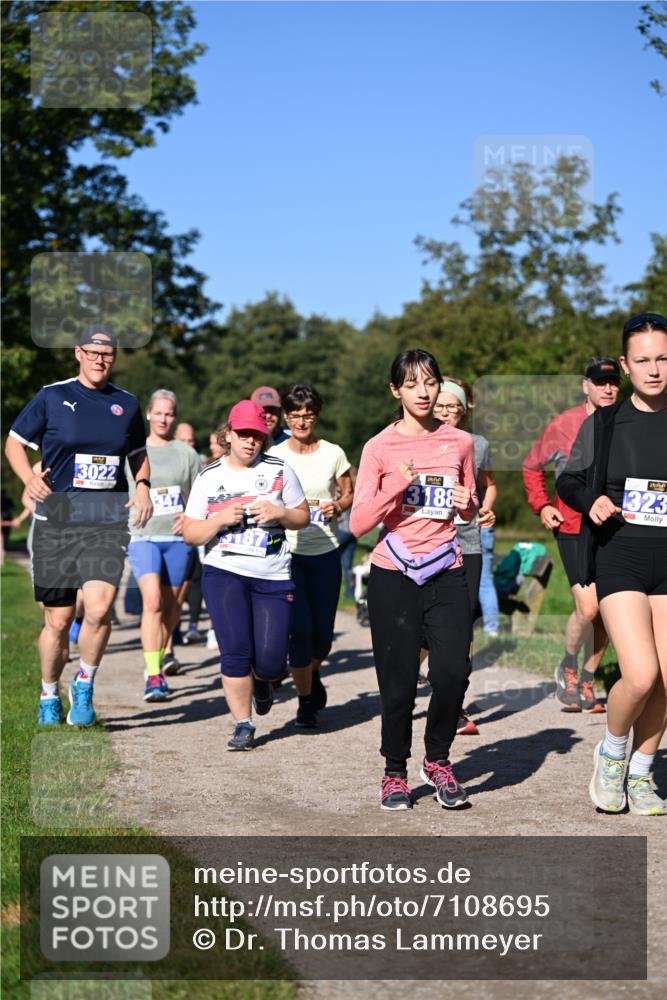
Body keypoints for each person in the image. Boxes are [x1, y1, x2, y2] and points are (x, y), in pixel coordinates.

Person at [350, 349, 478, 811]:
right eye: (412, 384)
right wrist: (395, 486)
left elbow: (469, 509)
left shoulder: (459, 442)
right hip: (394, 573)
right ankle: (394, 772)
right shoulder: (378, 447)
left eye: (430, 382)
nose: (423, 392)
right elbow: (358, 523)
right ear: (396, 390)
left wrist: (467, 504)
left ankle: (438, 760)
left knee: (452, 671)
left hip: (446, 567)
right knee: (399, 682)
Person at [5, 325, 152, 727]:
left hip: (105, 521)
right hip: (57, 521)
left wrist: (142, 486)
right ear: (78, 353)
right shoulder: (53, 396)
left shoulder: (127, 403)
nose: (100, 360)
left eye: (108, 354)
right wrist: (27, 479)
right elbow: (14, 441)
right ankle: (49, 692)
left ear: (115, 358)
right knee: (58, 620)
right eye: (93, 352)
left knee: (101, 609)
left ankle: (84, 683)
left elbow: (138, 452)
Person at [558, 313, 667, 816]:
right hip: (620, 554)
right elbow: (568, 481)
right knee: (641, 675)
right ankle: (612, 752)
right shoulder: (603, 423)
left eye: (663, 358)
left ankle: (642, 774)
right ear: (624, 365)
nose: (654, 369)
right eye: (642, 359)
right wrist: (591, 501)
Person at [183, 400, 309, 750]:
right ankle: (242, 723)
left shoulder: (279, 469)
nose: (250, 441)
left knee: (270, 661)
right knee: (235, 651)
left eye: (257, 435)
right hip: (224, 571)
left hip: (272, 573)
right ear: (228, 435)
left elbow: (303, 517)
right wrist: (219, 520)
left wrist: (279, 512)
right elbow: (191, 533)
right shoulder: (209, 476)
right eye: (243, 434)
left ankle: (265, 681)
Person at [523, 357, 621, 714]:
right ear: (586, 385)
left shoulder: (627, 421)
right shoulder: (563, 424)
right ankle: (567, 664)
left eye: (614, 383)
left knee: (609, 609)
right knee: (589, 606)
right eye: (600, 383)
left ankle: (588, 675)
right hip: (572, 523)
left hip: (616, 527)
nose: (608, 389)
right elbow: (532, 466)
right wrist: (542, 505)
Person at [269, 383, 354, 727]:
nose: (302, 422)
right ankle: (305, 702)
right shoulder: (276, 455)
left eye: (308, 416)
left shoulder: (333, 452)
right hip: (288, 553)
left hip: (325, 552)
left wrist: (338, 506)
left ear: (316, 415)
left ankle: (306, 674)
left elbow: (348, 492)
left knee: (322, 639)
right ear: (286, 417)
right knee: (300, 633)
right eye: (295, 416)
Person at [433, 377, 498, 736]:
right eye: (440, 405)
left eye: (452, 407)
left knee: (462, 623)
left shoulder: (478, 444)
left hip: (467, 542)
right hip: (426, 543)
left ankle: (455, 703)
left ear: (463, 410)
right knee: (425, 628)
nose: (445, 412)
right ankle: (417, 678)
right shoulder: (417, 440)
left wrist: (486, 510)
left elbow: (490, 484)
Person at [127, 390, 201, 699]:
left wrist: (190, 514)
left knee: (171, 608)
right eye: (158, 413)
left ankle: (156, 658)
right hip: (143, 536)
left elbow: (200, 495)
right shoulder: (132, 451)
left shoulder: (187, 454)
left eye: (169, 413)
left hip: (177, 538)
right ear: (148, 414)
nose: (163, 418)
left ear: (175, 416)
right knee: (153, 602)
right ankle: (154, 676)